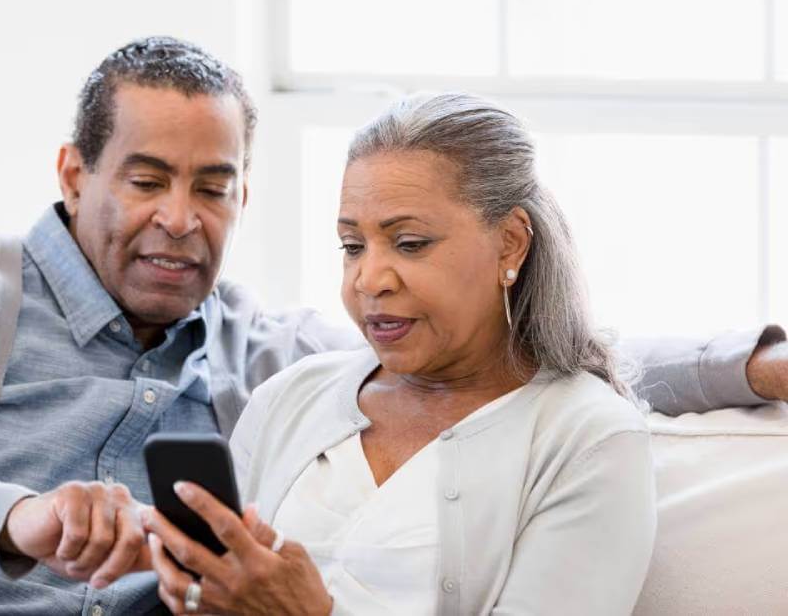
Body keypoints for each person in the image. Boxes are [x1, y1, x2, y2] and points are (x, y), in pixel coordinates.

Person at [0, 37, 783, 615]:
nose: (181, 218)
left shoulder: (279, 360)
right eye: (148, 179)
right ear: (73, 173)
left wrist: (750, 363)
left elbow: (503, 347)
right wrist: (8, 516)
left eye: (213, 187)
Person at [142, 92, 655, 614]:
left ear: (510, 242)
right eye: (352, 247)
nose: (368, 279)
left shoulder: (588, 438)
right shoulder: (290, 397)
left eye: (410, 243)